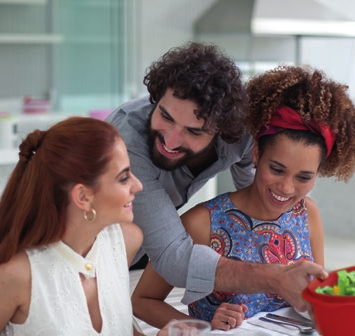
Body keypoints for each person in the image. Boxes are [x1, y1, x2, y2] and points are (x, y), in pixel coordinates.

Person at [131, 65, 355, 330]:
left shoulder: (308, 214)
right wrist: (202, 325)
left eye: (304, 177)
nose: (287, 188)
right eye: (276, 169)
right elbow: (142, 300)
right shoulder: (202, 223)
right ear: (255, 154)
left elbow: (316, 298)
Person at [107, 41, 327, 310]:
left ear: (222, 130)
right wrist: (274, 278)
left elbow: (255, 191)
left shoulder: (241, 131)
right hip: (92, 251)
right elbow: (173, 258)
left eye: (194, 131)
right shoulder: (126, 144)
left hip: (140, 251)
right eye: (165, 115)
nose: (171, 140)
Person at [0, 117, 170, 336]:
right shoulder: (14, 274)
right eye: (124, 177)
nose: (137, 185)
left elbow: (104, 335)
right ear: (82, 197)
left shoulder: (127, 240)